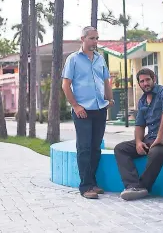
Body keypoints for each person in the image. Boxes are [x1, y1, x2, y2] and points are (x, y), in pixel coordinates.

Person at [61, 26, 114, 199]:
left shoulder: (100, 59)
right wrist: (76, 106)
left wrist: (110, 99)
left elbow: (106, 80)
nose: (95, 42)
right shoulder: (73, 59)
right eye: (92, 38)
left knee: (95, 148)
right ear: (82, 39)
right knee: (84, 148)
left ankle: (93, 182)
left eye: (97, 38)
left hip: (100, 108)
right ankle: (85, 187)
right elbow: (65, 85)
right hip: (82, 110)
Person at [114, 68, 163, 201]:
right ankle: (132, 186)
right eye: (142, 81)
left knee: (156, 152)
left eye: (147, 80)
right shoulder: (142, 100)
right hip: (151, 139)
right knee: (120, 149)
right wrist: (138, 142)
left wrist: (159, 137)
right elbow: (140, 125)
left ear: (154, 79)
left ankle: (143, 187)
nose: (145, 83)